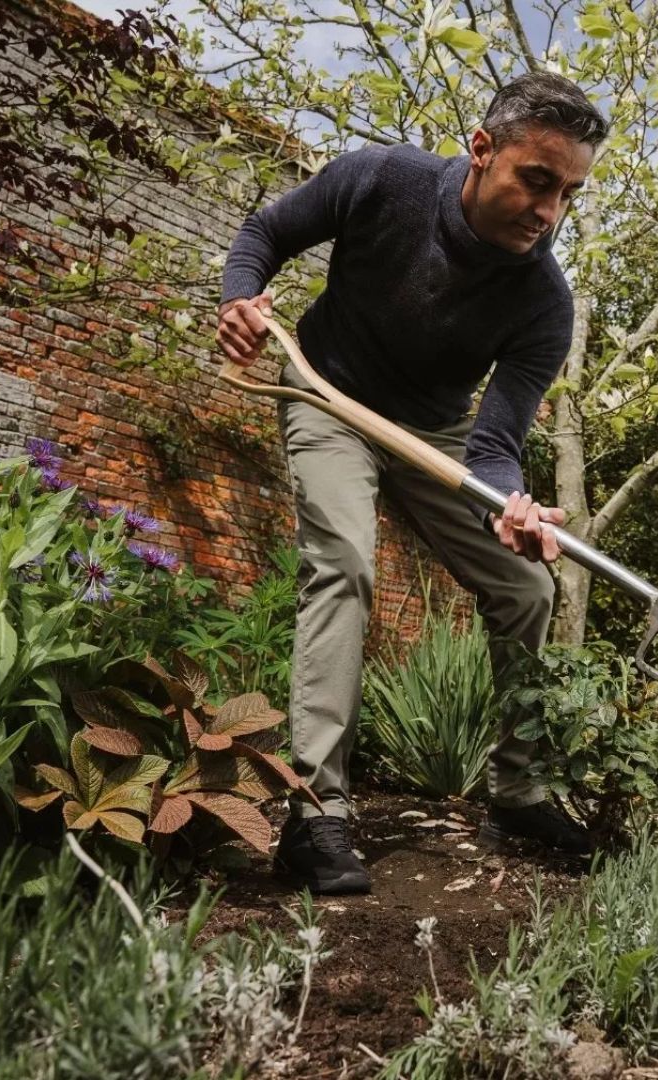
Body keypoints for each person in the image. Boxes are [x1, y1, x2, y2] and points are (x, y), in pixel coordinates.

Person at [216, 72, 608, 895]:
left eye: (568, 193)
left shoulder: (545, 302)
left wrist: (508, 503)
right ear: (482, 150)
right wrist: (241, 298)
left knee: (528, 587)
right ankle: (315, 813)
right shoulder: (383, 179)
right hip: (327, 397)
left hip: (435, 435)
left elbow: (494, 444)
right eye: (537, 180)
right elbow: (266, 231)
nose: (549, 211)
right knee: (344, 564)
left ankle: (517, 793)